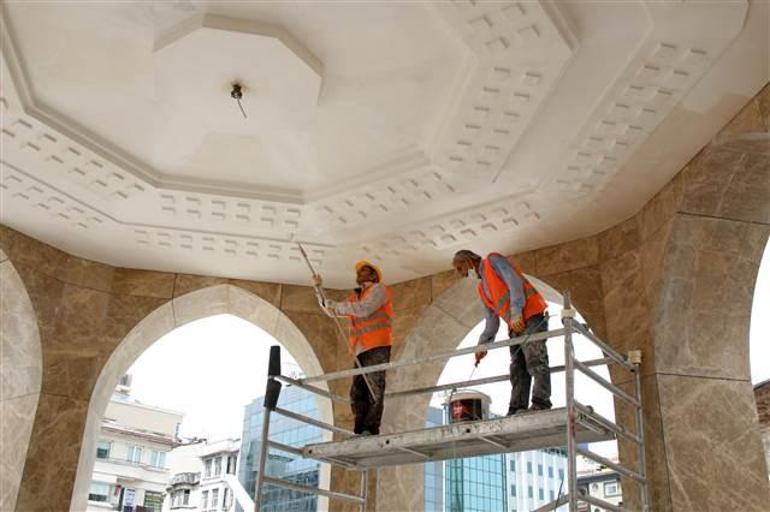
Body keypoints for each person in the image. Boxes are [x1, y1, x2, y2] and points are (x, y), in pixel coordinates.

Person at [452, 249, 551, 415]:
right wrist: (482, 346)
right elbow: (492, 321)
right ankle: (516, 408)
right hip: (515, 325)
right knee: (518, 368)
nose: (461, 274)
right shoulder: (482, 289)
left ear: (468, 261)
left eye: (460, 268)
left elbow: (514, 283)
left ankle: (541, 403)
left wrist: (516, 312)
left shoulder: (492, 261)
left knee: (535, 360)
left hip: (530, 315)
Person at [313, 261, 394, 435]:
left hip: (377, 345)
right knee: (357, 392)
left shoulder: (379, 289)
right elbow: (331, 310)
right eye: (359, 271)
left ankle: (371, 428)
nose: (359, 274)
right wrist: (319, 290)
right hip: (361, 348)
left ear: (373, 275)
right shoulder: (355, 297)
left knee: (374, 388)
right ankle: (360, 429)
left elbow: (364, 310)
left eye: (364, 271)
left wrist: (335, 305)